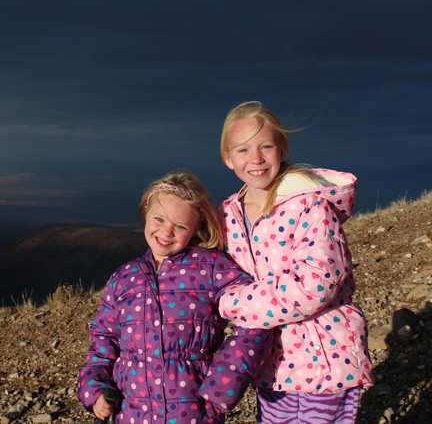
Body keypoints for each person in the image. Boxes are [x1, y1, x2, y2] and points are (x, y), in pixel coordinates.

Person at [217, 101, 374, 423]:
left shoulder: (311, 207)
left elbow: (316, 284)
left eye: (266, 147)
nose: (256, 159)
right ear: (228, 158)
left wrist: (230, 303)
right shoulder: (227, 215)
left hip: (325, 355)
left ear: (282, 150)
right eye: (243, 150)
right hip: (269, 362)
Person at [77, 170, 272, 423]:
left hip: (194, 412)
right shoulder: (123, 277)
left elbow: (255, 320)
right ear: (145, 213)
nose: (166, 232)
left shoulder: (213, 268)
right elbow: (103, 341)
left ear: (195, 228)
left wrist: (221, 388)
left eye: (179, 226)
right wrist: (95, 390)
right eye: (159, 219)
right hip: (132, 413)